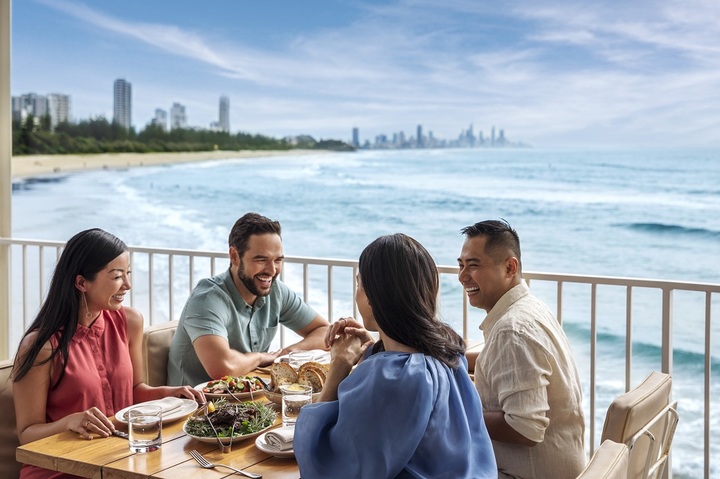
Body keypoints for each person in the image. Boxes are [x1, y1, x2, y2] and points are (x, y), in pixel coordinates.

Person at [294, 233, 497, 479]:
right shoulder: (447, 350)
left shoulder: (393, 379)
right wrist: (376, 348)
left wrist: (339, 366)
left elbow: (328, 464)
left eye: (360, 285)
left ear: (374, 295)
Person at [12, 228, 204, 479]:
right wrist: (69, 422)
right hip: (61, 470)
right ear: (81, 282)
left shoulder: (130, 321)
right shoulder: (40, 346)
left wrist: (171, 393)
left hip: (118, 461)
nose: (128, 285)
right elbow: (26, 433)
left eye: (128, 274)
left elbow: (135, 391)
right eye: (116, 276)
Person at [457, 219, 585, 479]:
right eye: (460, 265)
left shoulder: (512, 331)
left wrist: (458, 413)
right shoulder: (530, 308)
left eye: (473, 265)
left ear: (509, 267)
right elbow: (497, 359)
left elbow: (525, 428)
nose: (462, 277)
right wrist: (447, 356)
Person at [167, 212, 330, 386]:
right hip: (194, 406)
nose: (272, 270)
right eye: (261, 260)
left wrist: (288, 353)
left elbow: (324, 331)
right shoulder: (207, 299)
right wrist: (259, 358)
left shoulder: (276, 291)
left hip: (247, 400)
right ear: (234, 256)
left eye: (277, 260)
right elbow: (223, 368)